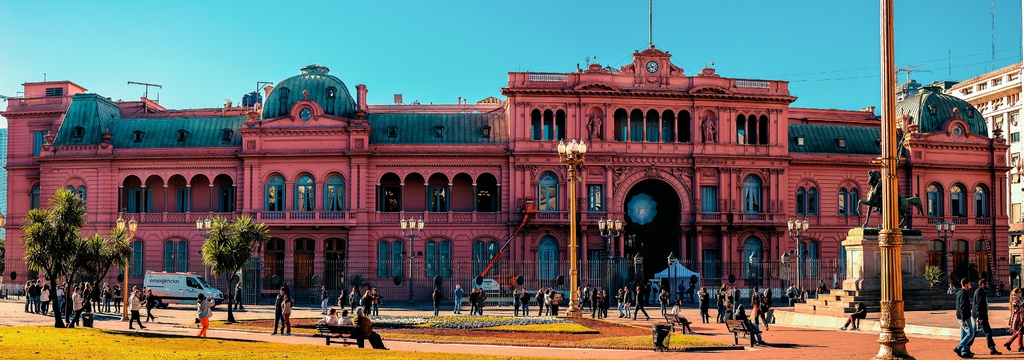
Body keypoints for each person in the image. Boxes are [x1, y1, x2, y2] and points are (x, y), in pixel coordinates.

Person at [974, 279, 1001, 355]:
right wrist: (980, 317)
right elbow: (978, 306)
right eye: (986, 284)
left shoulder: (981, 292)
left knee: (974, 333)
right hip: (981, 317)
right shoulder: (980, 292)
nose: (988, 286)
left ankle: (965, 347)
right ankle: (992, 349)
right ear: (982, 284)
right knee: (988, 332)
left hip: (981, 316)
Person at [954, 278, 976, 358]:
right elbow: (962, 307)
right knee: (970, 333)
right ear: (966, 284)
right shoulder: (963, 293)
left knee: (963, 334)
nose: (970, 285)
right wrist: (963, 319)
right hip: (964, 317)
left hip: (960, 316)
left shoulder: (959, 292)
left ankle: (963, 352)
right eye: (969, 284)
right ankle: (959, 347)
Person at [1003, 288, 1024, 352]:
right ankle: (1020, 347)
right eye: (1019, 292)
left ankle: (1009, 343)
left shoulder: (1018, 299)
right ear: (1016, 293)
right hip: (1017, 318)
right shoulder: (1015, 300)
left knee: (1020, 331)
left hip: (1019, 318)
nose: (1021, 293)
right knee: (1020, 331)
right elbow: (1019, 308)